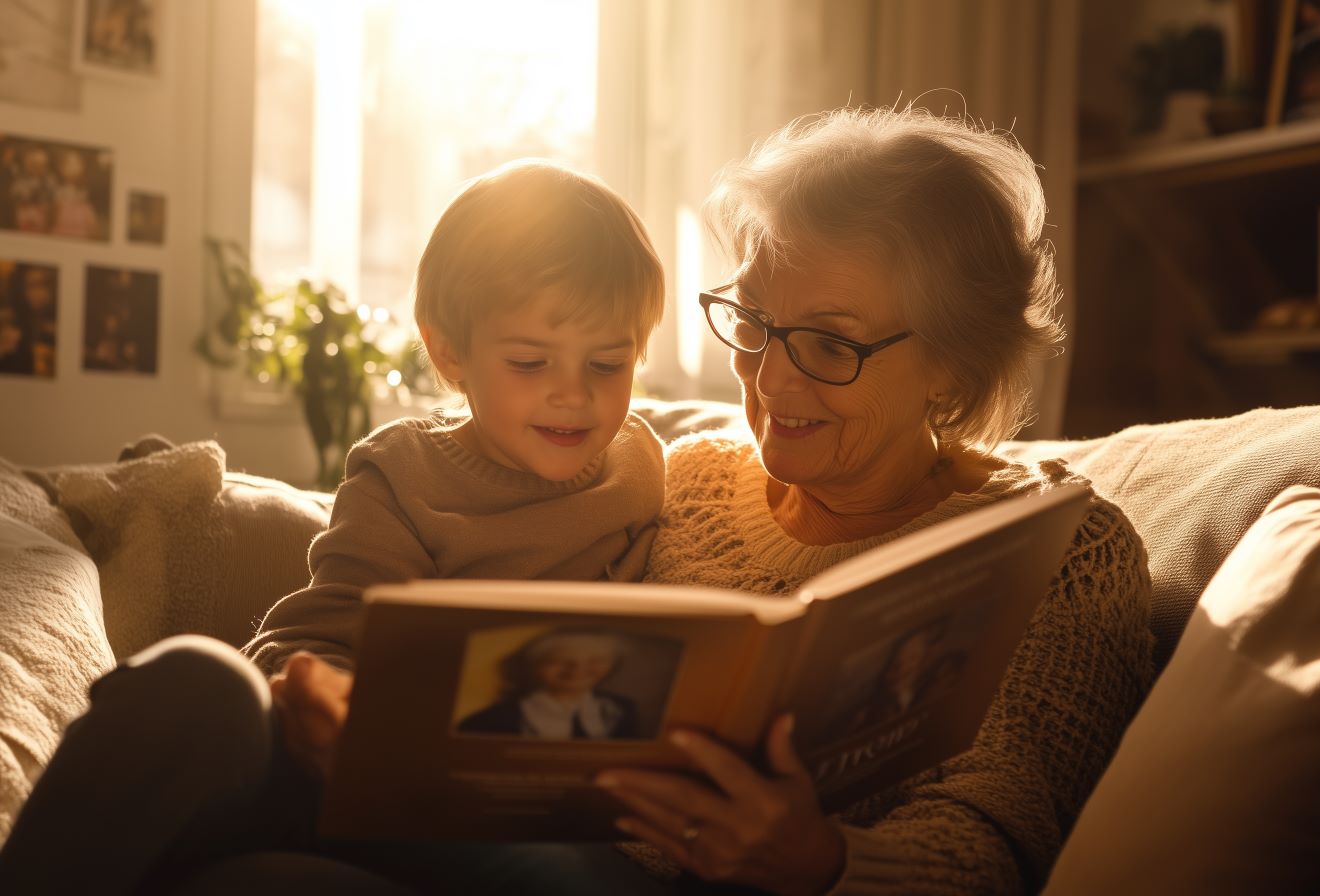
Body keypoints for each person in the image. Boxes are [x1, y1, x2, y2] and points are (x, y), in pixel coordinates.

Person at [0, 159, 667, 894]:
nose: (573, 394)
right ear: (450, 350)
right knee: (198, 681)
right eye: (530, 361)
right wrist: (329, 701)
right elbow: (315, 638)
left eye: (608, 364)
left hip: (515, 818)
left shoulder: (643, 468)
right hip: (355, 773)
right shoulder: (405, 472)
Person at [587, 106, 1155, 895]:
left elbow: (997, 843)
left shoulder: (1061, 554)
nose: (769, 379)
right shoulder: (680, 478)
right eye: (753, 322)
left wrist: (818, 860)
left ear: (953, 364)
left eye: (830, 344)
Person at [457, 629, 639, 740]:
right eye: (559, 660)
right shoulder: (487, 721)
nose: (578, 669)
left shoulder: (622, 708)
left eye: (595, 660)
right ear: (532, 666)